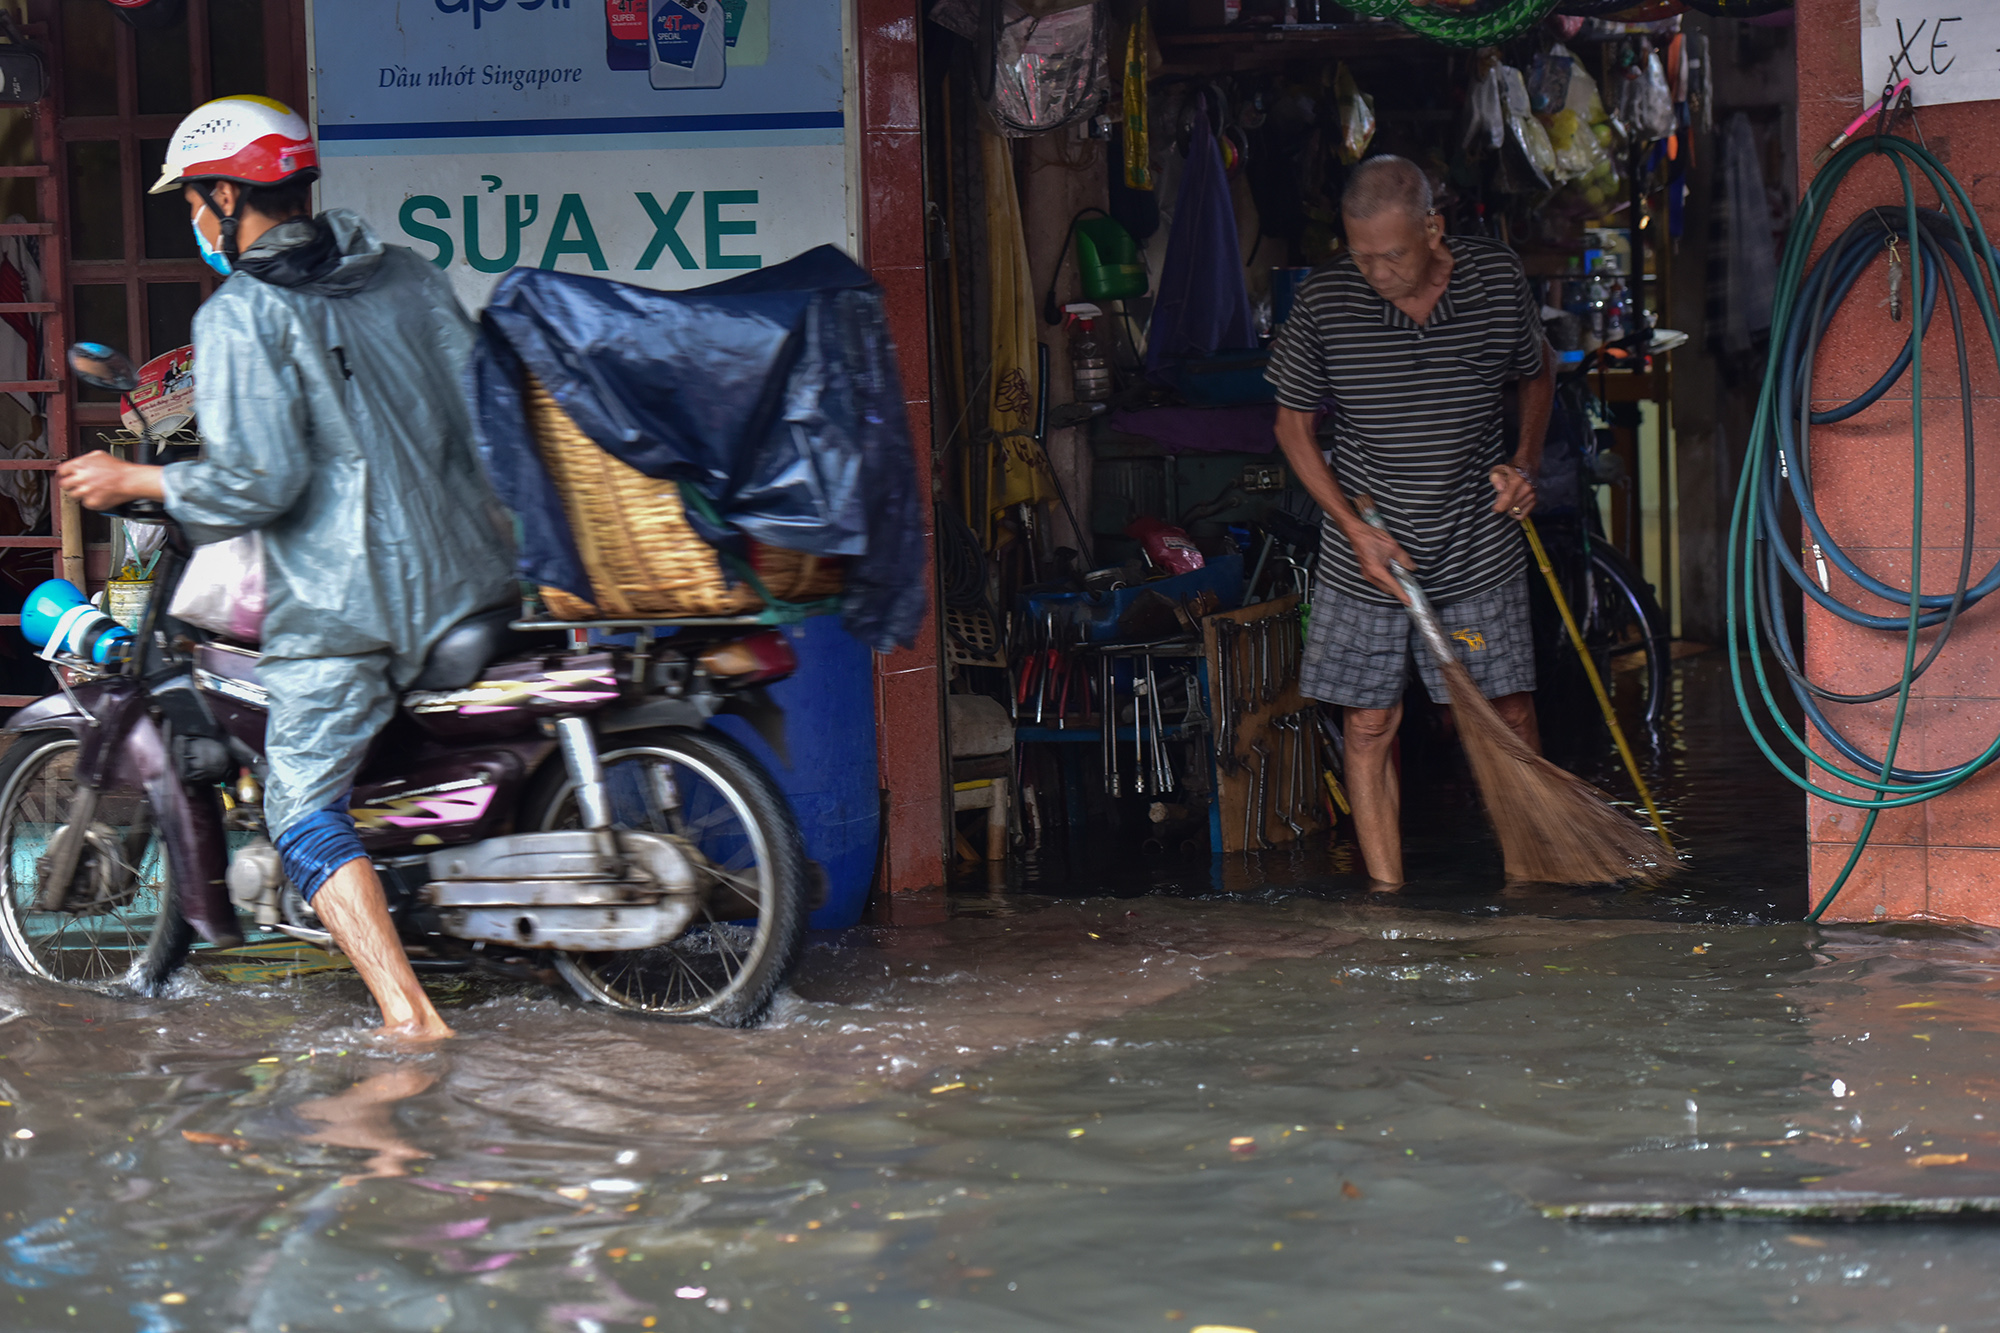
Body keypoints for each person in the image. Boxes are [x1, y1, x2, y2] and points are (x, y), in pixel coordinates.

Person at [57, 96, 516, 1040]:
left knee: (301, 797)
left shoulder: (243, 313)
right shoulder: (410, 276)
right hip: (476, 574)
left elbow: (255, 485)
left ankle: (408, 1017)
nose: (192, 219)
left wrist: (131, 475)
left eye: (193, 199)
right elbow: (484, 412)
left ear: (228, 195)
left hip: (353, 606)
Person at [1266, 155, 1554, 889]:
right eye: (1362, 255)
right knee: (1368, 725)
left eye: (1392, 254)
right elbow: (1293, 427)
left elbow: (1538, 368)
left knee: (1508, 716)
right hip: (1369, 546)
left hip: (1475, 533)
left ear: (1433, 228)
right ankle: (1387, 902)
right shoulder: (1327, 300)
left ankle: (1532, 879)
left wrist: (1524, 462)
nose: (1377, 272)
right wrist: (1351, 527)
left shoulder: (1493, 281)